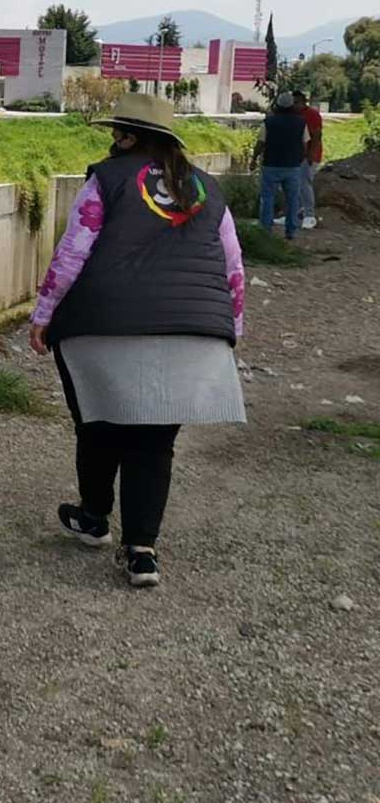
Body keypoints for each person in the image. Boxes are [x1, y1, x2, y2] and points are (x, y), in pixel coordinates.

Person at [29, 93, 247, 588]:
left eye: (116, 132)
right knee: (154, 442)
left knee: (98, 420)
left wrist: (43, 314)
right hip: (193, 328)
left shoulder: (106, 180)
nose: (112, 141)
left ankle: (93, 517)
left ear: (128, 138)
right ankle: (142, 551)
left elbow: (73, 253)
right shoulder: (207, 189)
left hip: (103, 323)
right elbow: (232, 265)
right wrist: (230, 328)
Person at [253, 91, 311, 240]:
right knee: (292, 200)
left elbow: (261, 143)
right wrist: (299, 159)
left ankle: (265, 231)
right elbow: (305, 145)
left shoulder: (269, 122)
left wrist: (253, 158)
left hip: (271, 165)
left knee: (267, 199)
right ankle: (290, 231)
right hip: (292, 166)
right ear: (292, 105)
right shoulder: (301, 123)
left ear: (277, 105)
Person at [294, 90, 324, 230]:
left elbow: (316, 135)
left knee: (304, 184)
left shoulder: (312, 115)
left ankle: (309, 215)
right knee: (294, 185)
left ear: (303, 102)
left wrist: (311, 154)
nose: (294, 106)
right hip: (296, 156)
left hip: (308, 156)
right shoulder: (294, 114)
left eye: (296, 103)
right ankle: (295, 214)